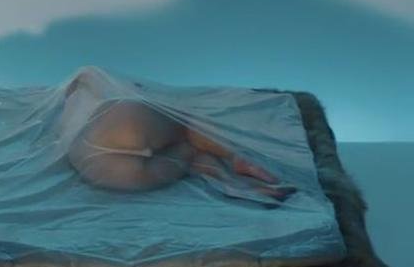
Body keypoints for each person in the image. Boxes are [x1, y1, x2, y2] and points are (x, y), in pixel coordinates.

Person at [52, 68, 293, 203]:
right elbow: (86, 77)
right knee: (187, 125)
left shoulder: (66, 118)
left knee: (190, 152)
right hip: (124, 127)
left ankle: (235, 186)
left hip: (109, 174)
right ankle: (236, 159)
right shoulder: (93, 81)